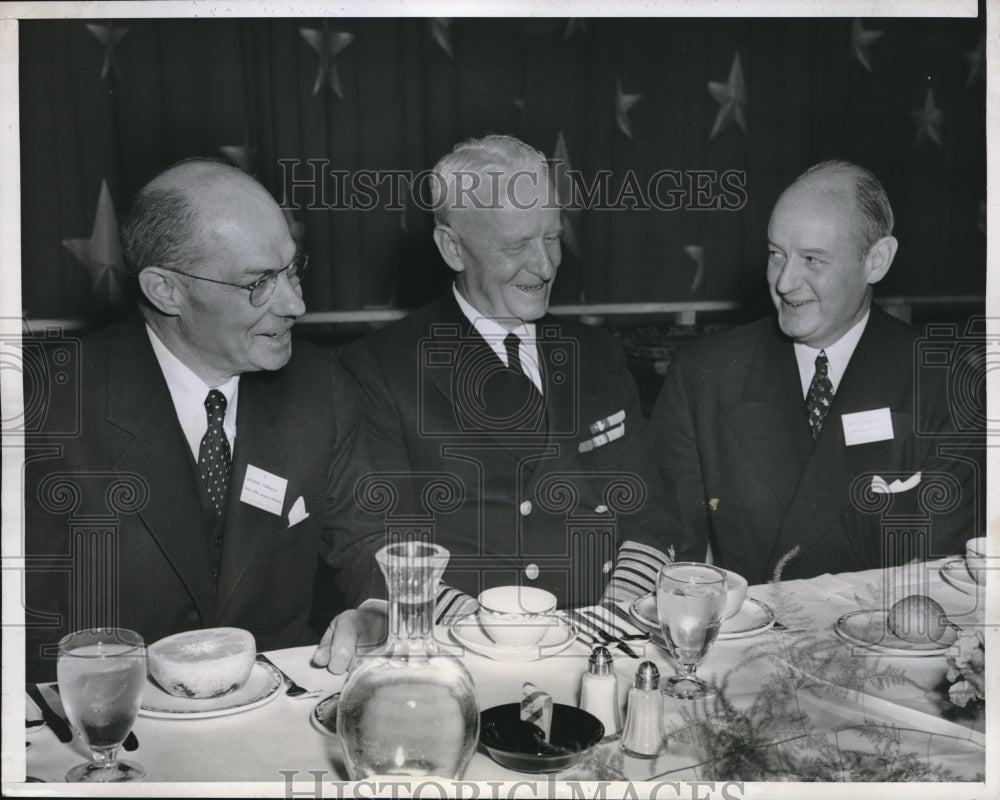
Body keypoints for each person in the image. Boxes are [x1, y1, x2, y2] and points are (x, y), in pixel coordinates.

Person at [24, 159, 382, 681]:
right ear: (165, 289)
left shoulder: (318, 386)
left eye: (292, 269)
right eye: (259, 281)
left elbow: (370, 540)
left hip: (273, 711)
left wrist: (378, 611)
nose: (295, 303)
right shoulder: (49, 408)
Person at [338, 135, 676, 609]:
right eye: (517, 245)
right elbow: (374, 547)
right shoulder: (377, 369)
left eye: (552, 237)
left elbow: (649, 513)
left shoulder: (598, 353)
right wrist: (491, 637)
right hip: (471, 644)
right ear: (453, 249)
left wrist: (611, 619)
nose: (544, 265)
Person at [649, 160, 981, 585]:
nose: (785, 282)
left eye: (812, 259)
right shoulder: (704, 375)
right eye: (776, 255)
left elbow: (946, 577)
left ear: (876, 261)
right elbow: (672, 553)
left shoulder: (947, 385)